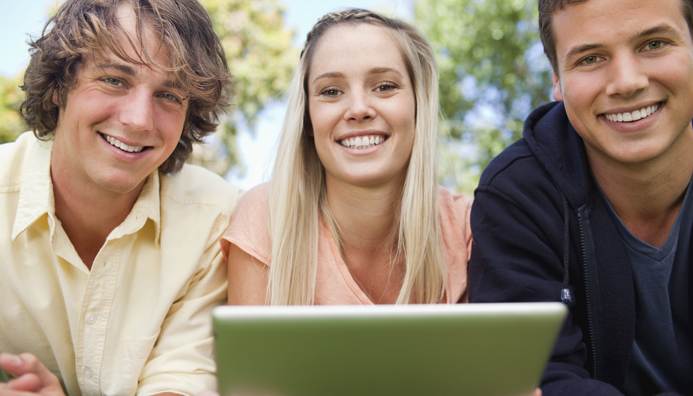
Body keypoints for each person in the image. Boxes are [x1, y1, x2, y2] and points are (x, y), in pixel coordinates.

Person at [0, 0, 242, 394]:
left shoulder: (214, 220)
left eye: (168, 95)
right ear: (60, 86)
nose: (139, 119)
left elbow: (181, 383)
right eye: (114, 80)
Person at [468, 0, 693, 395]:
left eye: (654, 44)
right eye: (590, 58)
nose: (627, 82)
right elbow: (535, 374)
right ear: (556, 80)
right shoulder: (518, 194)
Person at [221, 9, 473, 306]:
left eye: (385, 86)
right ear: (307, 120)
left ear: (419, 105)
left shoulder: (467, 226)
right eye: (331, 91)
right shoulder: (267, 219)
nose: (358, 108)